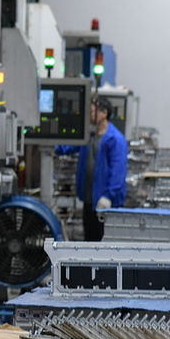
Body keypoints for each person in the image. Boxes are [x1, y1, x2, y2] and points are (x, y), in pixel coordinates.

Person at [64, 95, 128, 241]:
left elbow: (118, 171)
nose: (89, 115)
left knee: (105, 245)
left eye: (92, 111)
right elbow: (68, 145)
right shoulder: (89, 135)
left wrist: (108, 196)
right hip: (90, 201)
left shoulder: (115, 139)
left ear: (104, 113)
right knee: (90, 242)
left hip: (107, 204)